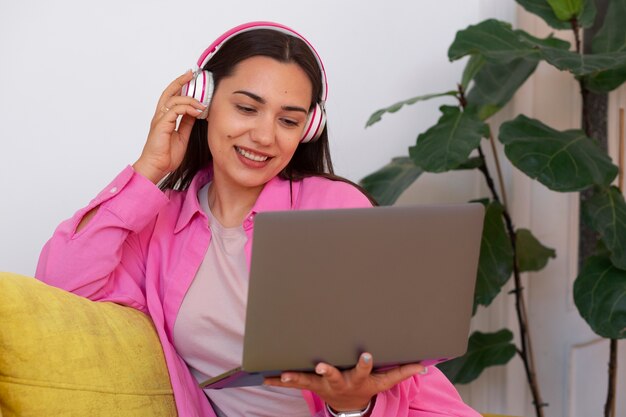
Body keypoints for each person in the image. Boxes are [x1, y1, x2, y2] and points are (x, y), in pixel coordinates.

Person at [35, 22, 481, 417]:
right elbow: (62, 283)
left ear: (307, 129)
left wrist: (352, 405)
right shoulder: (158, 223)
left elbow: (388, 370)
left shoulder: (334, 207)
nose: (265, 136)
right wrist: (149, 170)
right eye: (246, 109)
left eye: (288, 120)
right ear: (202, 102)